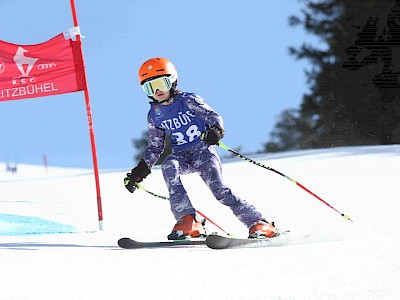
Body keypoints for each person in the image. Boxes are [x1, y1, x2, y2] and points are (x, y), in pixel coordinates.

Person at [124, 57, 277, 240]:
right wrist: (141, 170)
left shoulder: (188, 100)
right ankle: (188, 220)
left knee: (219, 191)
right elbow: (155, 146)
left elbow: (213, 116)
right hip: (181, 156)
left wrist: (215, 130)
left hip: (202, 152)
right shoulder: (154, 115)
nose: (157, 91)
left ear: (173, 81)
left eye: (161, 84)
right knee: (168, 165)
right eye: (149, 87)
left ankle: (259, 223)